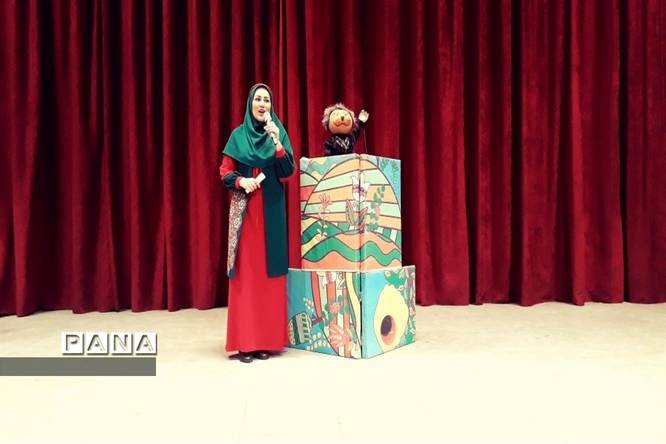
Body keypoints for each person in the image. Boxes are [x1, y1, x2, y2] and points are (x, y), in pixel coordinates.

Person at [218, 83, 295, 363]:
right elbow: (225, 171)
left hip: (272, 211)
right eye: (258, 99)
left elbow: (288, 171)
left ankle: (265, 341)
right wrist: (241, 181)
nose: (263, 104)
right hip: (247, 212)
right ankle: (245, 343)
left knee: (268, 277)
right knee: (247, 276)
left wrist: (277, 143)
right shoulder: (238, 135)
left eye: (267, 100)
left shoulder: (278, 132)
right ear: (250, 103)